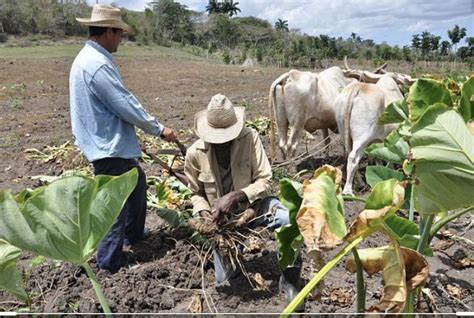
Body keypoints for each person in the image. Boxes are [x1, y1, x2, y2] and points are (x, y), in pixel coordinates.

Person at [69, 4, 177, 272]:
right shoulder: (96, 65)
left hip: (107, 143)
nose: (121, 40)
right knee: (113, 206)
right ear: (107, 31)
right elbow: (124, 104)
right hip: (108, 146)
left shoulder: (90, 58)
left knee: (138, 183)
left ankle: (133, 237)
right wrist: (159, 129)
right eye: (119, 34)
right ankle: (109, 263)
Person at [184, 94, 303, 307]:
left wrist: (237, 195)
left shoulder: (250, 138)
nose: (221, 144)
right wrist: (205, 214)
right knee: (225, 280)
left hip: (255, 208)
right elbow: (195, 193)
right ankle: (229, 256)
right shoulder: (195, 153)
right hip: (224, 225)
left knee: (288, 219)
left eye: (226, 138)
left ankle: (289, 281)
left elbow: (265, 179)